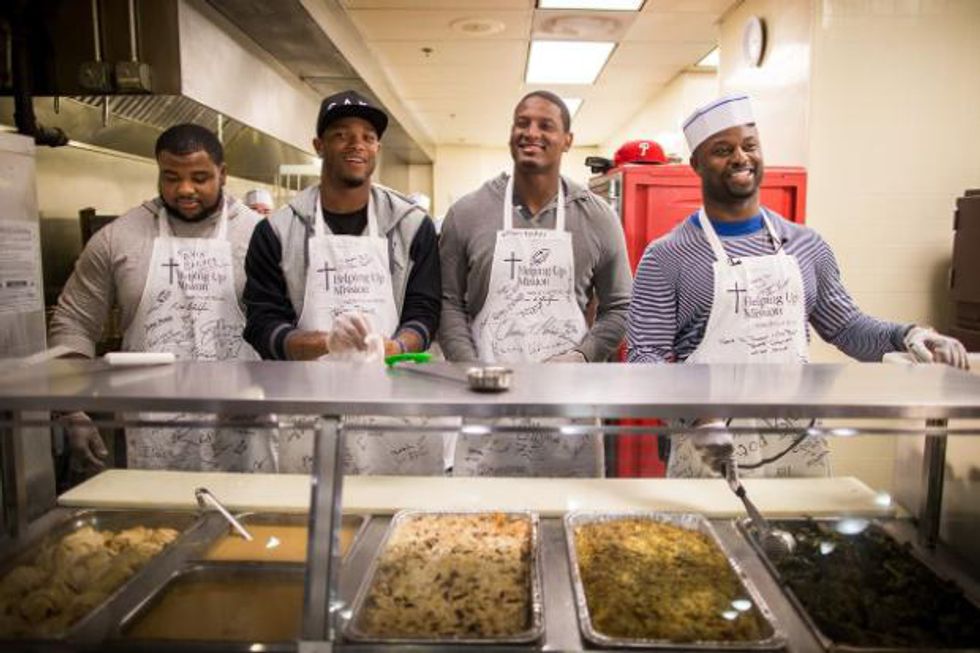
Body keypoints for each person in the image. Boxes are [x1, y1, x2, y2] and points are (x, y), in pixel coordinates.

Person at [626, 93, 969, 478]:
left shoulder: (806, 245)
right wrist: (698, 417)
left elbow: (847, 327)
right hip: (709, 445)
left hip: (797, 442)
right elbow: (645, 359)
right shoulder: (667, 256)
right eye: (722, 150)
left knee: (802, 519)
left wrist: (910, 336)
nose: (740, 157)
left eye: (749, 146)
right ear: (697, 165)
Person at [50, 123, 273, 472]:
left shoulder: (262, 236)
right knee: (156, 509)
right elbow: (73, 322)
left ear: (223, 174)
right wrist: (71, 408)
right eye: (171, 177)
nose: (185, 189)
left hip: (244, 420)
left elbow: (290, 325)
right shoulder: (118, 238)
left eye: (200, 178)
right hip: (152, 425)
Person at [242, 90, 444, 474]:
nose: (357, 144)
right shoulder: (276, 232)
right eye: (341, 134)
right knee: (319, 504)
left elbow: (425, 312)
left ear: (377, 147)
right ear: (318, 145)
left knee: (394, 502)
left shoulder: (412, 226)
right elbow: (262, 324)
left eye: (368, 136)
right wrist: (325, 344)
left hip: (393, 404)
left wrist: (393, 347)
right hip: (312, 405)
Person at [439, 90, 633, 476]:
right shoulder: (467, 213)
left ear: (567, 140)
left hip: (567, 403)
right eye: (522, 123)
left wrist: (582, 356)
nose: (531, 133)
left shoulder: (597, 218)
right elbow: (447, 302)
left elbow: (621, 307)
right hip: (486, 402)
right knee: (484, 510)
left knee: (566, 505)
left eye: (546, 125)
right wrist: (471, 369)